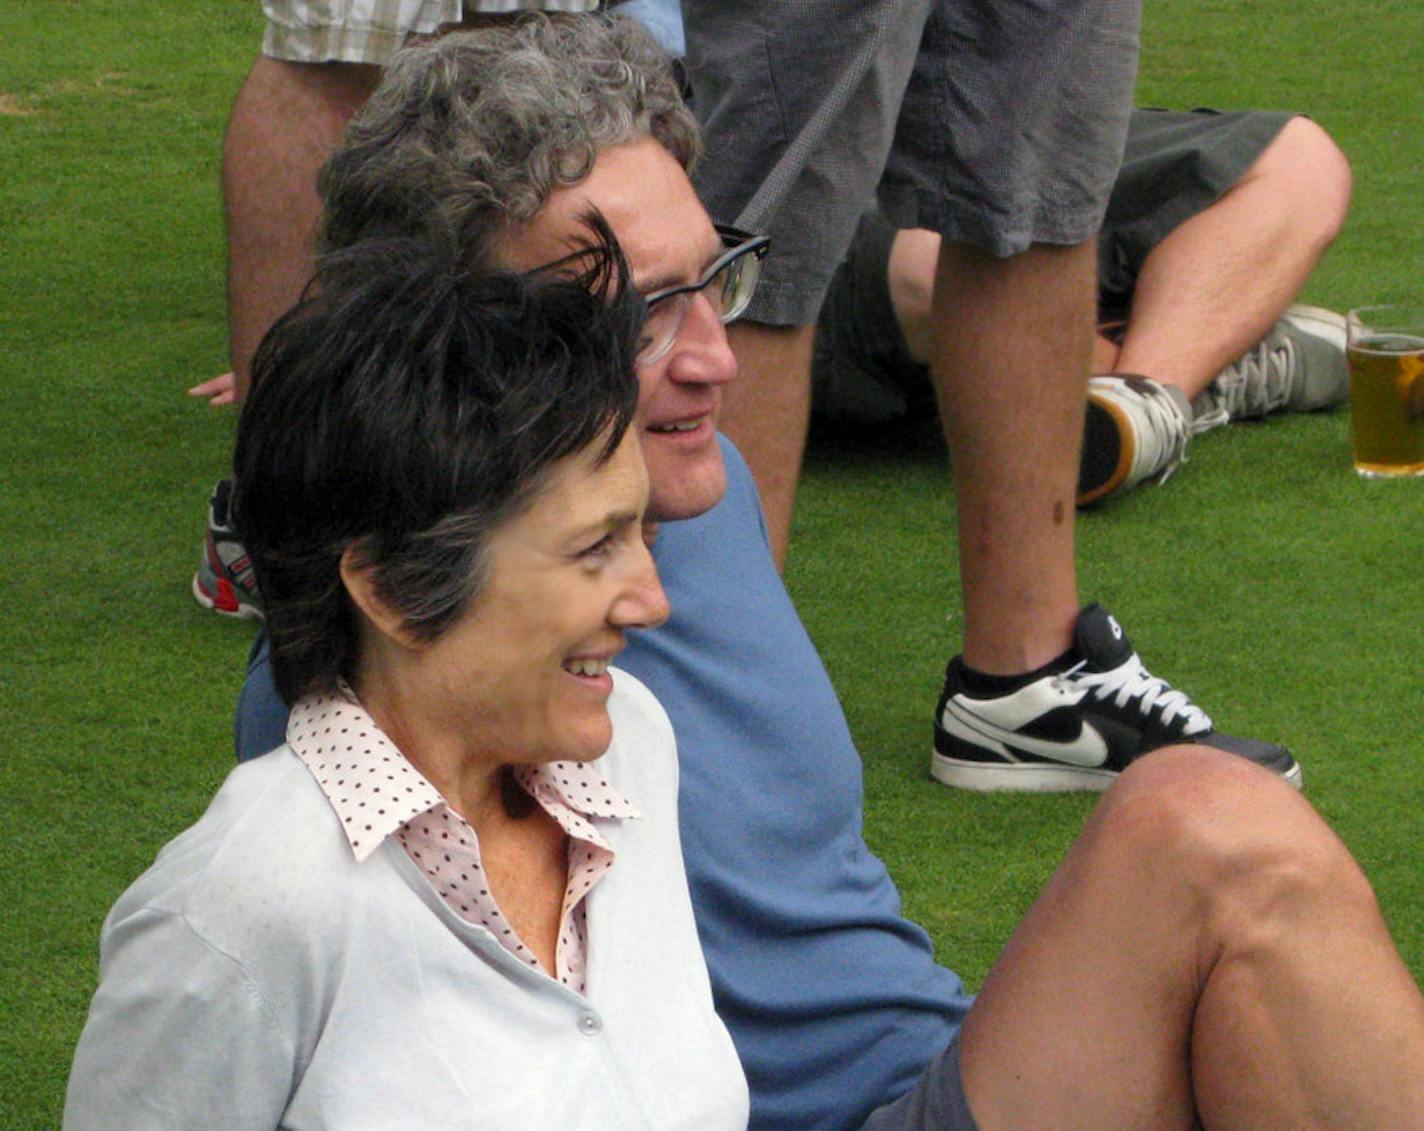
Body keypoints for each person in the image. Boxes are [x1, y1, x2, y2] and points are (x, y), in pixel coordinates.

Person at [229, 21, 1424, 1130]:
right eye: (640, 317)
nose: (711, 359)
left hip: (950, 1073)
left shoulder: (704, 501)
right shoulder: (392, 674)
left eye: (716, 282)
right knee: (1204, 829)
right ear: (452, 339)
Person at [67, 225, 752, 1128]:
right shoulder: (244, 907)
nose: (651, 601)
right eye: (594, 549)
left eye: (644, 534)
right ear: (391, 587)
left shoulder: (633, 748)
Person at [812, 109, 1354, 503]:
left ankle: (1140, 400)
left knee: (1298, 156)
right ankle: (1198, 366)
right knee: (954, 271)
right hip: (804, 178)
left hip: (963, 119)